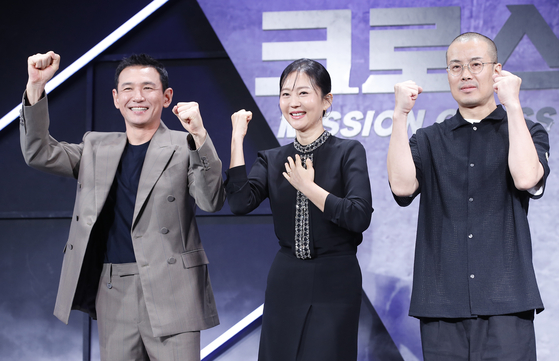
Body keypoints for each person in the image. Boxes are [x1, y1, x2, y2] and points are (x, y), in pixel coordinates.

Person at [20, 51, 226, 361]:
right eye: (128, 88)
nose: (137, 96)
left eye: (148, 87)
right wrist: (35, 86)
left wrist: (199, 134)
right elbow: (39, 152)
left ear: (167, 96)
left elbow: (211, 200)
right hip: (114, 288)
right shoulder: (95, 147)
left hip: (173, 288)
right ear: (116, 98)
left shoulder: (186, 146)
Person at [387, 32, 550, 360]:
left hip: (507, 298)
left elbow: (526, 178)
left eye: (476, 65)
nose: (465, 75)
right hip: (442, 301)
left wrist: (513, 105)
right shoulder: (429, 138)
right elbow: (402, 186)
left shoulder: (527, 131)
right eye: (455, 67)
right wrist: (399, 116)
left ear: (497, 70)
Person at [225, 58, 373, 361]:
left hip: (336, 275)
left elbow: (358, 216)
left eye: (304, 93)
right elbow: (240, 203)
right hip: (286, 276)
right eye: (286, 94)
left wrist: (309, 188)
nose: (294, 102)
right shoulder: (271, 159)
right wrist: (237, 139)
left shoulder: (348, 151)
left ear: (326, 101)